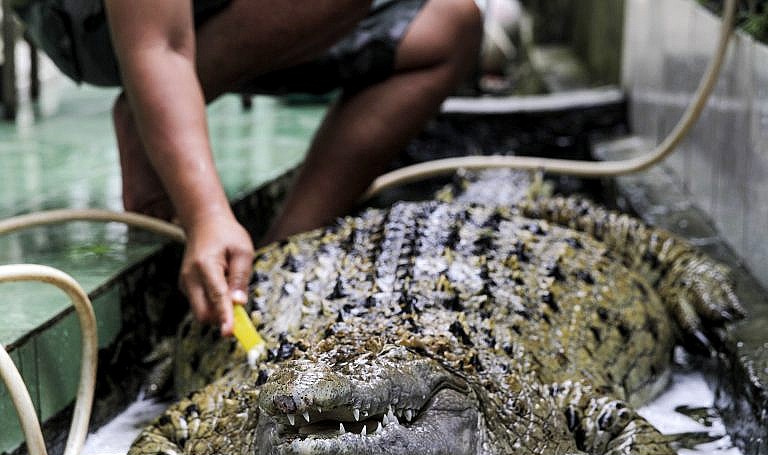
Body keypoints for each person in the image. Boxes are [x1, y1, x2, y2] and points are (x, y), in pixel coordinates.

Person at [12, 0, 483, 335]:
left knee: (451, 22)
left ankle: (285, 250)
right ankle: (144, 117)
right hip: (89, 21)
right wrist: (205, 214)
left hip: (212, 17)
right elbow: (159, 43)